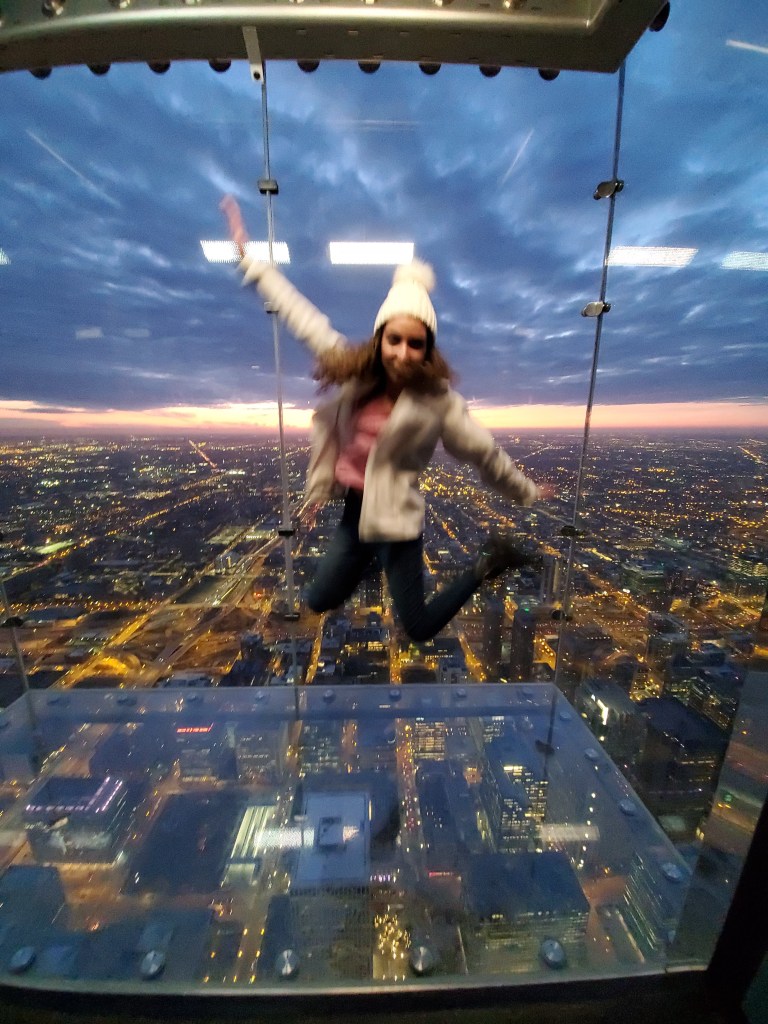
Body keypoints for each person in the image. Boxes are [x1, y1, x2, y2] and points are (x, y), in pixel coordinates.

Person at [221, 196, 551, 643]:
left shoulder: (438, 402)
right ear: (379, 338)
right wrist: (250, 257)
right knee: (317, 600)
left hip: (397, 524)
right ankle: (367, 564)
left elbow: (484, 452)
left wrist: (526, 491)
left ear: (428, 348)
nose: (402, 353)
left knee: (417, 628)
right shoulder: (354, 371)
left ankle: (485, 566)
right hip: (356, 515)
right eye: (394, 339)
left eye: (415, 344)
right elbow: (300, 314)